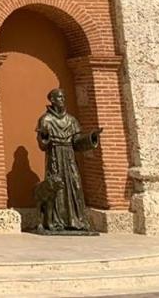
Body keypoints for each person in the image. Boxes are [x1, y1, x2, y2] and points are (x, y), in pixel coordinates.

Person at [34, 87, 100, 233]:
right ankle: (56, 222)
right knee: (57, 189)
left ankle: (76, 221)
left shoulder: (71, 120)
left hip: (69, 157)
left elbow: (76, 142)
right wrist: (44, 137)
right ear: (52, 100)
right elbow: (42, 145)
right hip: (55, 156)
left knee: (75, 185)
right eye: (59, 97)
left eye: (63, 97)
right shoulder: (45, 120)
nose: (62, 100)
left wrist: (91, 138)